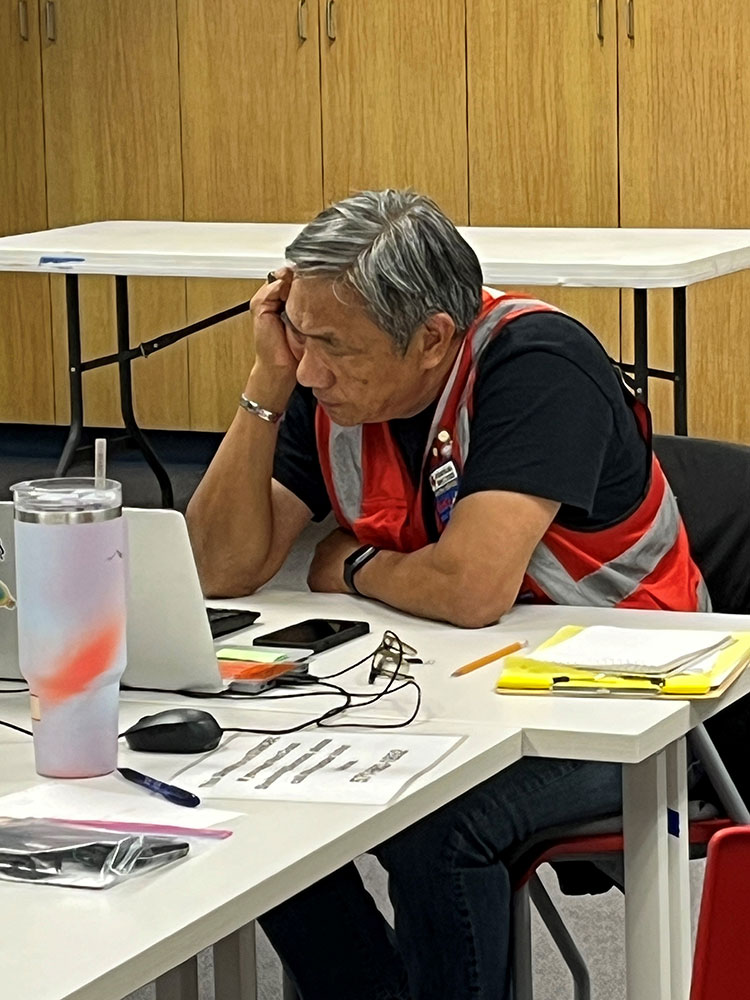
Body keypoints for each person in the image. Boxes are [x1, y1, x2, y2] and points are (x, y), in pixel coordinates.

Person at [186, 190, 709, 1000]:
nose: (314, 370)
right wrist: (267, 379)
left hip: (635, 702)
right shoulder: (320, 380)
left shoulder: (536, 361)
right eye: (300, 338)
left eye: (333, 347)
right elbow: (217, 567)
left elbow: (471, 587)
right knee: (258, 790)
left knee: (435, 825)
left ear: (432, 338)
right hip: (463, 682)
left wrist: (352, 567)